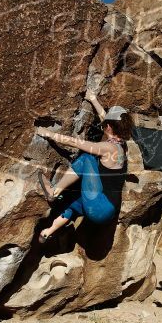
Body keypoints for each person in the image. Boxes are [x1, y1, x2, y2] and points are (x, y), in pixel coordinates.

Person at [35, 97, 132, 243]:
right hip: (108, 210)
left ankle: (53, 191)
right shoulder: (122, 145)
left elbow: (75, 143)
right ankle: (47, 232)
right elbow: (105, 118)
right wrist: (93, 99)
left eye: (106, 124)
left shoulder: (107, 148)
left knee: (87, 158)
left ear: (109, 127)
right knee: (71, 203)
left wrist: (47, 133)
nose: (103, 124)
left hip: (98, 205)